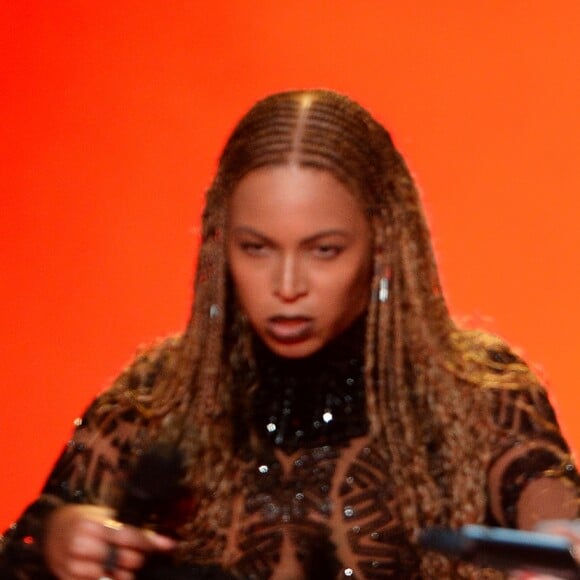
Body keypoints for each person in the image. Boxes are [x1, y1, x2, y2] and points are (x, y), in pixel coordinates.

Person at [0, 89, 578, 580]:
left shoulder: (475, 395)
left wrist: (560, 537)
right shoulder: (157, 402)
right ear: (220, 245)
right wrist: (60, 540)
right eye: (256, 249)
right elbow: (32, 542)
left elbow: (542, 494)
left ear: (382, 245)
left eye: (324, 251)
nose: (286, 285)